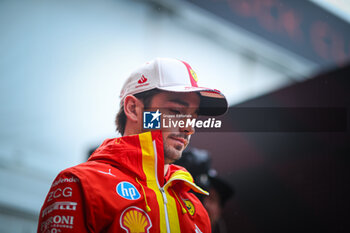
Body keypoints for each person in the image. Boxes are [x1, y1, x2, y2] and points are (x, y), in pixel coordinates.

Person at [37, 57, 228, 233]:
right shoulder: (79, 183)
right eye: (177, 111)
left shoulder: (194, 205)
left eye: (193, 117)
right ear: (133, 109)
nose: (189, 128)